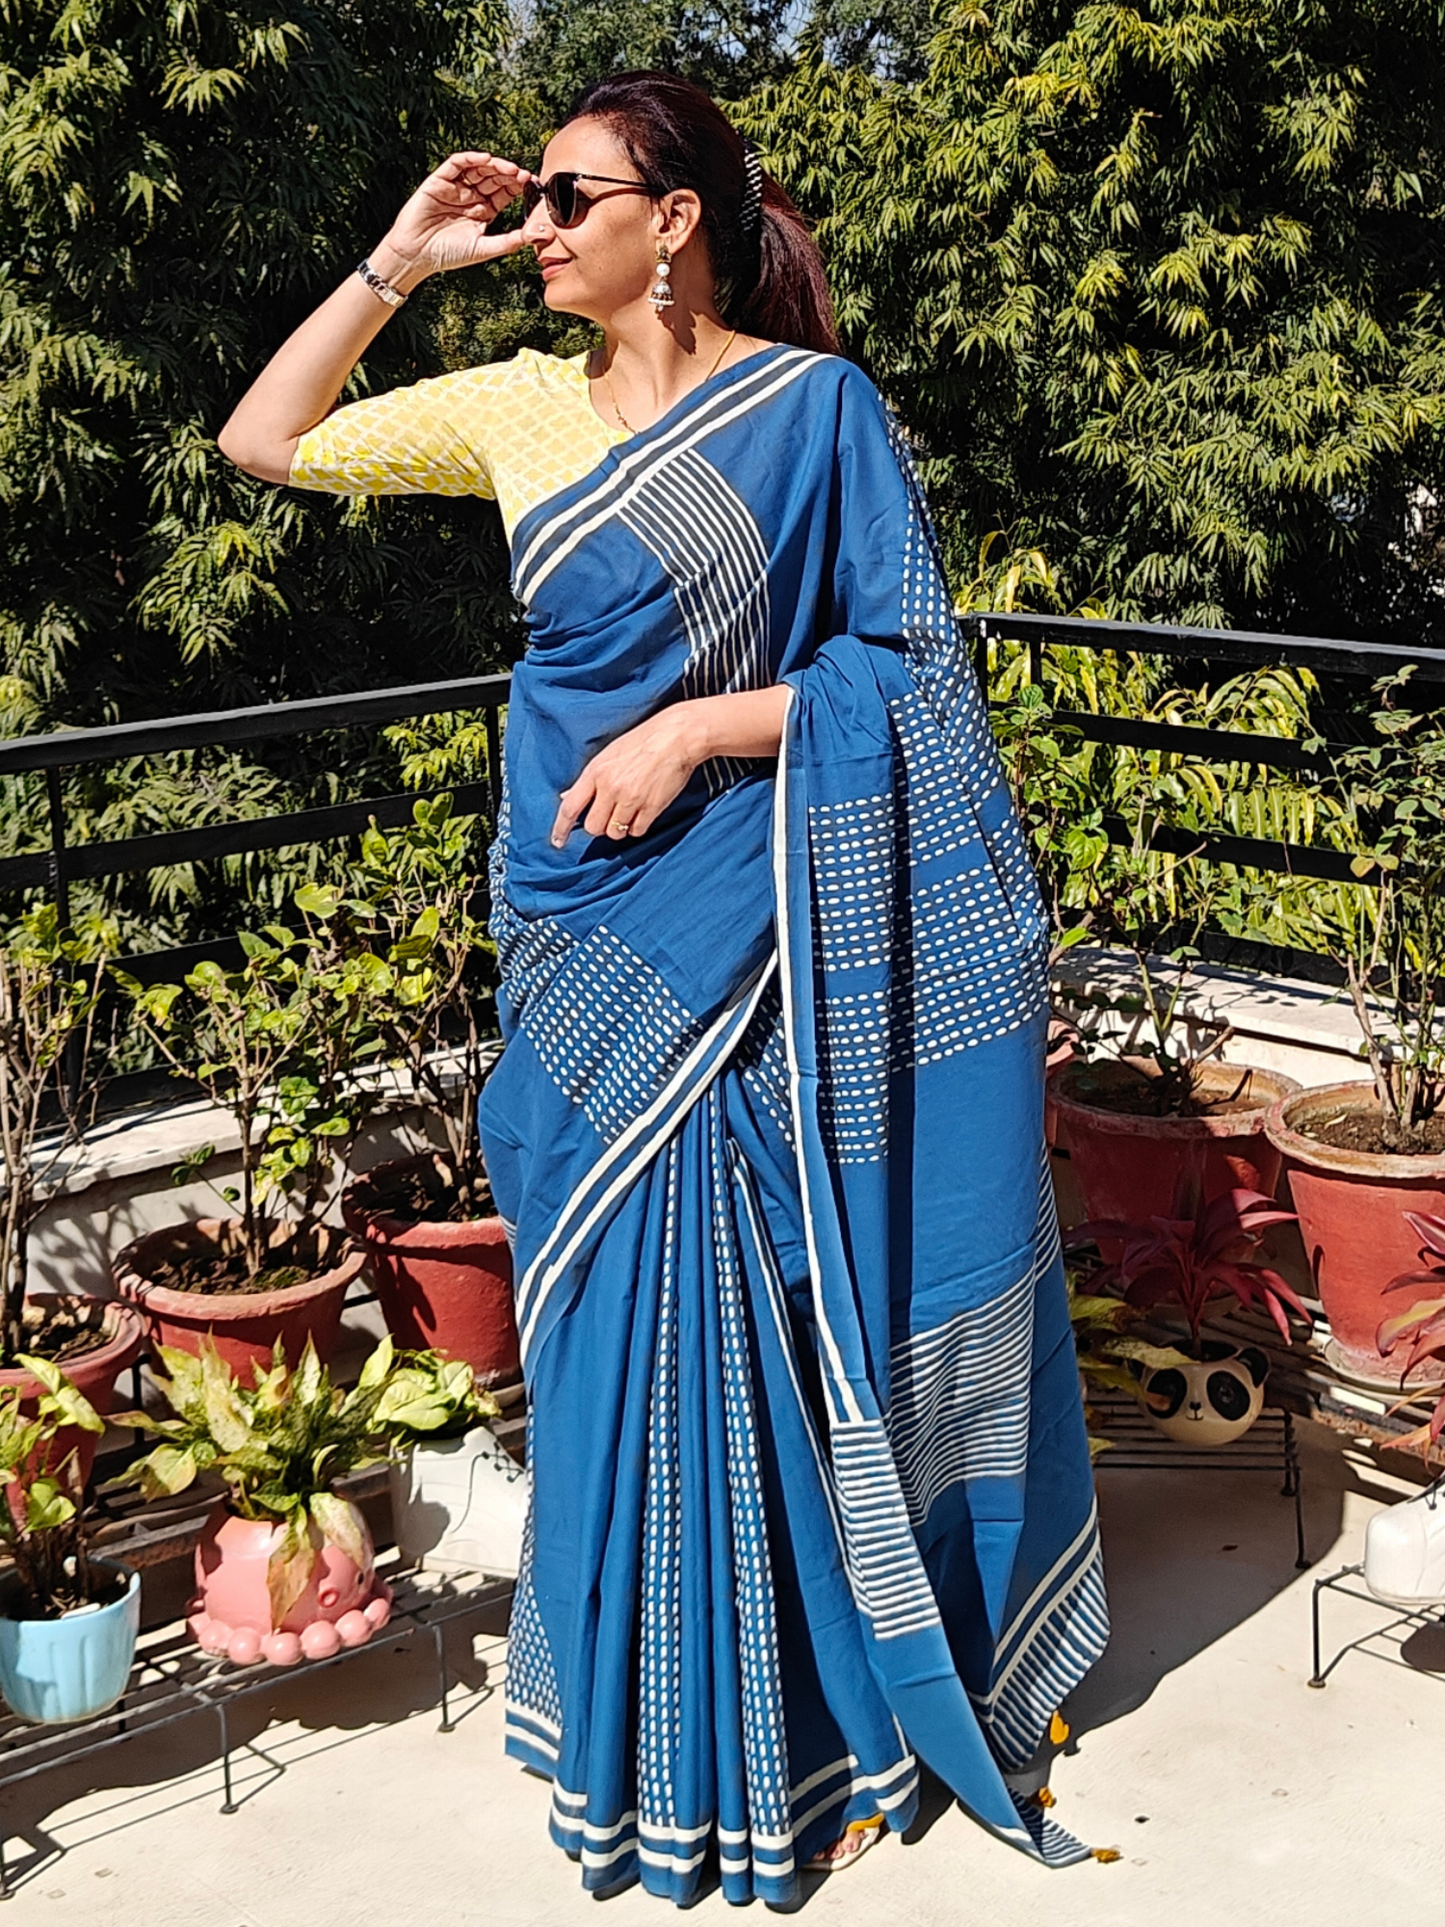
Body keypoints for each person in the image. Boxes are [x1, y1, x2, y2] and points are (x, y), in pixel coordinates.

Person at [219, 70, 1108, 1908]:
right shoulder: (512, 407)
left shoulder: (813, 411)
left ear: (673, 221)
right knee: (600, 1317)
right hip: (578, 925)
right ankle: (636, 1724)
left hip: (744, 913)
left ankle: (791, 1723)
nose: (538, 229)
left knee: (754, 1308)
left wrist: (701, 726)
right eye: (533, 200)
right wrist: (402, 259)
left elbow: (910, 672)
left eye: (569, 199)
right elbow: (263, 439)